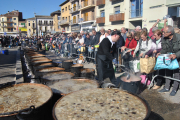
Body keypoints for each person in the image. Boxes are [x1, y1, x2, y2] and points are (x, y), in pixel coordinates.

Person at [157, 25, 180, 96]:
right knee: (168, 72)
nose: (162, 33)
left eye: (164, 32)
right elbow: (164, 49)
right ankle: (166, 87)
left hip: (178, 58)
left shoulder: (178, 37)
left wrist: (176, 55)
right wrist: (160, 53)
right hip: (168, 58)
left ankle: (174, 89)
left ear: (170, 32)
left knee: (176, 73)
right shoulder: (164, 38)